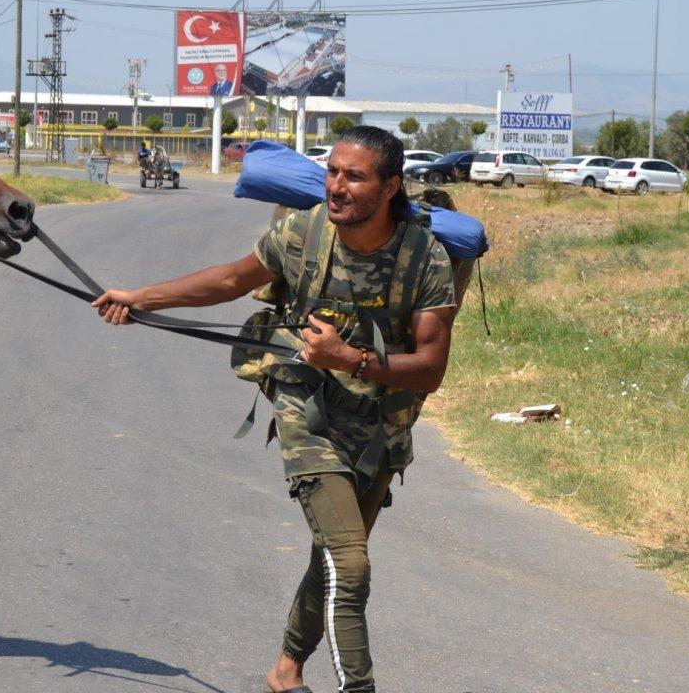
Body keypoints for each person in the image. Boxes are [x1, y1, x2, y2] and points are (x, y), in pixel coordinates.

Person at [94, 125, 457, 693]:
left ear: (390, 187)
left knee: (334, 560)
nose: (336, 186)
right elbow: (232, 280)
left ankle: (286, 671)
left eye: (354, 177)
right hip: (306, 410)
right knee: (351, 565)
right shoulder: (303, 234)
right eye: (332, 172)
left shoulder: (423, 259)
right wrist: (140, 297)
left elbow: (431, 369)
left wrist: (349, 357)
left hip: (381, 427)